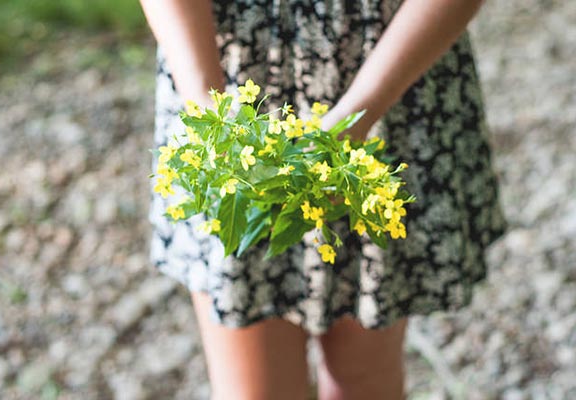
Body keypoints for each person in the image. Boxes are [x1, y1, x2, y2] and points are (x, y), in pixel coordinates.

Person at [139, 0, 508, 399]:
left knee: (365, 380)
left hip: (389, 70)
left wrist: (359, 116)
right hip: (223, 71)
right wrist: (209, 110)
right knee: (254, 387)